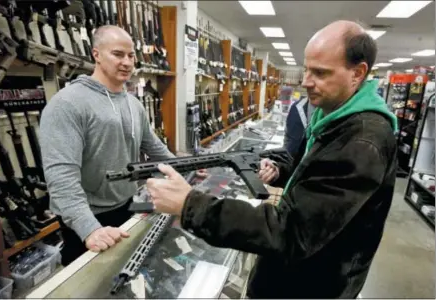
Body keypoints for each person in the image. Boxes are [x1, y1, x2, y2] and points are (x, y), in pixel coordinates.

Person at [145, 20, 398, 298]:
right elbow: (315, 175)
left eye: (320, 72)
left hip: (310, 287)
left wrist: (190, 205)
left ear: (358, 73)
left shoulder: (362, 141)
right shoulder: (335, 115)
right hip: (295, 275)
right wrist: (281, 171)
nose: (305, 81)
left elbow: (290, 232)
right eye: (306, 69)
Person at [39, 25, 178, 266]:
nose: (127, 62)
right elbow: (61, 179)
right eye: (117, 54)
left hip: (127, 205)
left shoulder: (133, 104)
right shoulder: (67, 104)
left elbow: (155, 149)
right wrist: (89, 229)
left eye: (131, 55)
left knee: (123, 270)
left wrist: (185, 169)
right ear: (96, 54)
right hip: (86, 215)